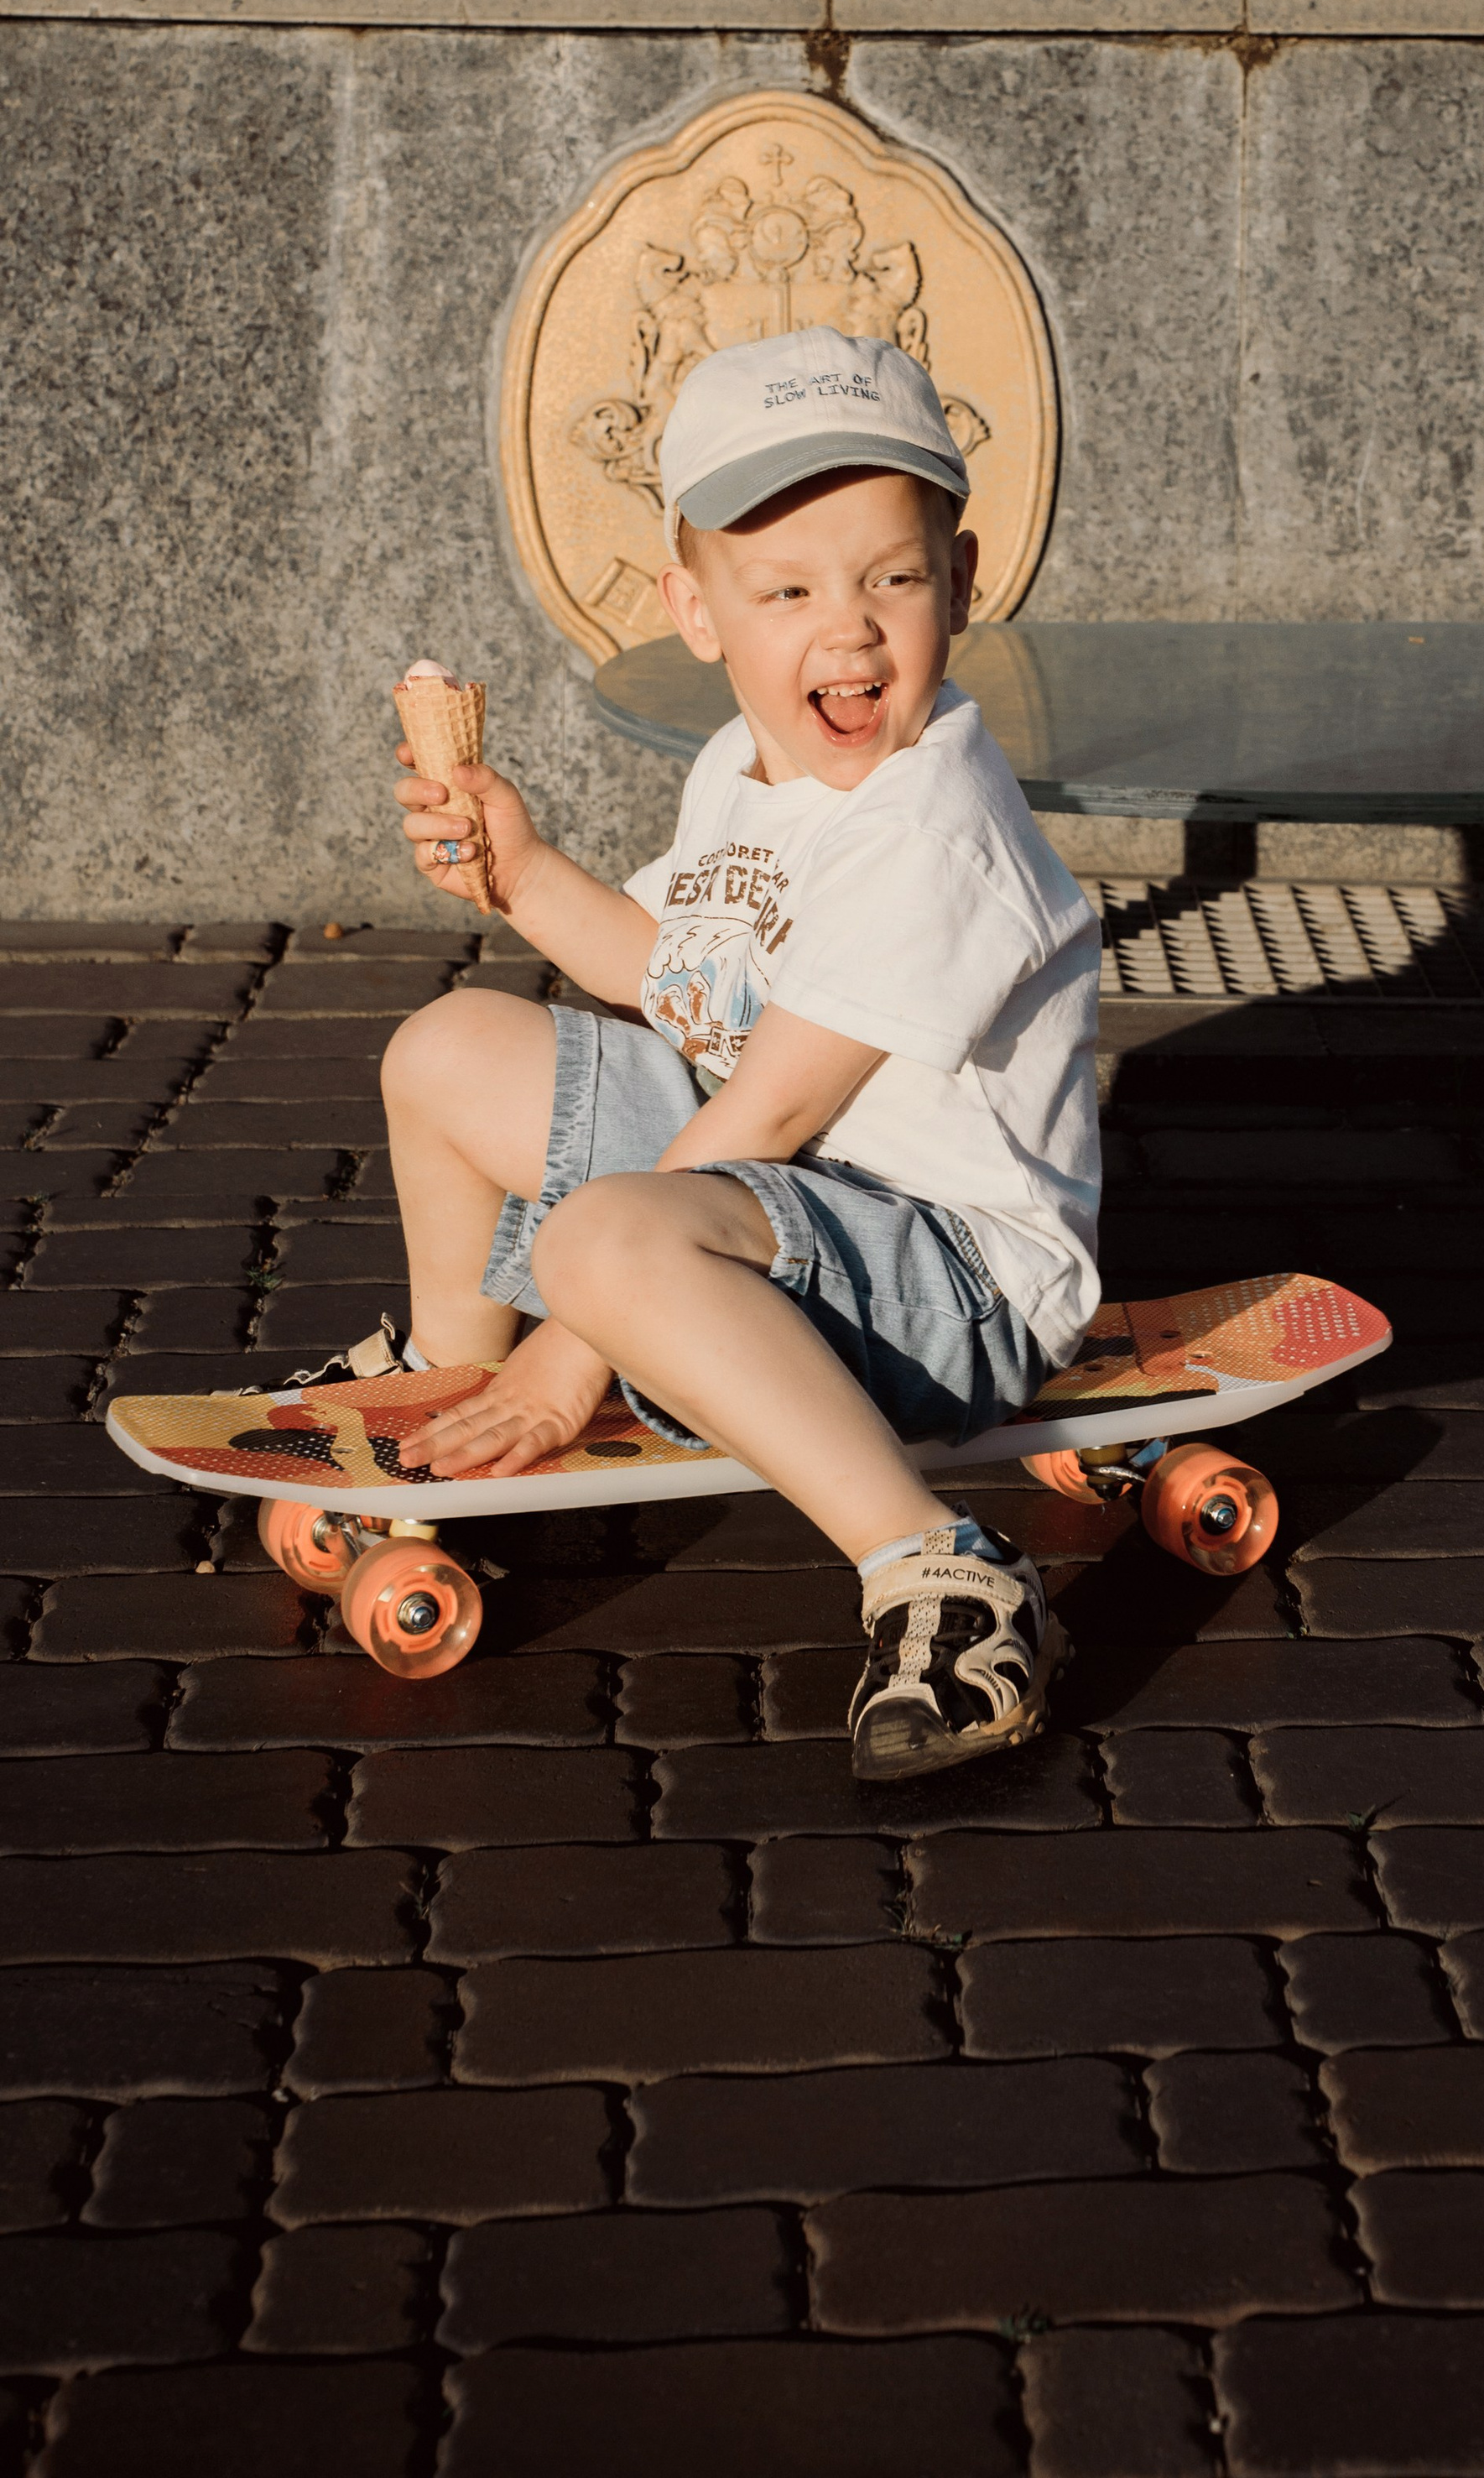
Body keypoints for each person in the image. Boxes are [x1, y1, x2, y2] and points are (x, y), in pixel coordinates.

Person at [362, 325, 1101, 1782]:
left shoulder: (930, 828)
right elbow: (686, 988)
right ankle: (458, 1385)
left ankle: (942, 1574)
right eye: (786, 588)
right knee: (448, 1047)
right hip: (786, 1201)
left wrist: (583, 1353)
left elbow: (770, 1104)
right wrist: (522, 873)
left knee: (602, 1244)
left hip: (946, 1285)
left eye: (893, 576)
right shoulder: (744, 774)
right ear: (692, 608)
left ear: (963, 580)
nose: (850, 629)